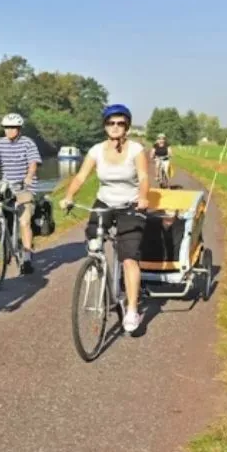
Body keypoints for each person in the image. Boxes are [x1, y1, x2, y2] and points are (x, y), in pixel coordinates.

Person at [59, 103, 150, 333]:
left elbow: (144, 176)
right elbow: (81, 176)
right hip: (105, 202)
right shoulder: (96, 151)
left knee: (129, 258)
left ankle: (131, 310)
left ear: (127, 126)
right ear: (105, 126)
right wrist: (69, 196)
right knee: (93, 237)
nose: (115, 127)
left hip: (130, 205)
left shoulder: (136, 150)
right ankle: (95, 265)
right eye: (111, 123)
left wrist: (143, 197)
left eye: (120, 123)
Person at [0, 112, 42, 275]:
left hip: (24, 187)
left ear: (19, 129)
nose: (9, 131)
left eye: (13, 128)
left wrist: (29, 177)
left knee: (24, 222)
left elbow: (33, 163)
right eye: (6, 128)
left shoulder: (28, 143)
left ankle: (26, 257)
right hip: (7, 185)